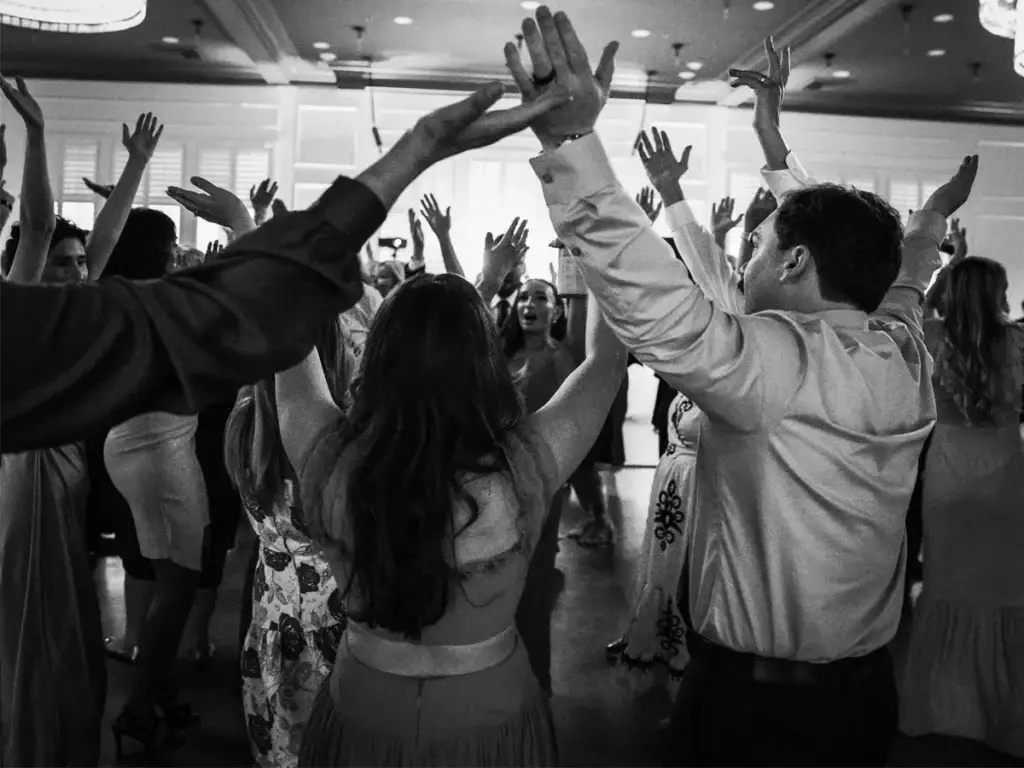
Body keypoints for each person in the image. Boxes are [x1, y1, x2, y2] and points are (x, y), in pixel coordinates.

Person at [506, 11, 976, 764]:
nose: (748, 258)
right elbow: (911, 272)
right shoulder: (900, 343)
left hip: (756, 715)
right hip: (863, 702)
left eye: (759, 246)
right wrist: (927, 219)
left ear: (792, 265)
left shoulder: (776, 363)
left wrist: (569, 141)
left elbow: (650, 296)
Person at [1, 82, 570, 453]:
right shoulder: (500, 470)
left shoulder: (328, 455)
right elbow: (189, 321)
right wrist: (416, 152)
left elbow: (196, 319)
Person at [899, 256, 1024, 760]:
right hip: (1005, 475)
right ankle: (1001, 712)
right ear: (995, 293)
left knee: (947, 586)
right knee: (1005, 587)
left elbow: (917, 306)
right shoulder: (1017, 341)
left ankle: (941, 708)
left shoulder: (931, 334)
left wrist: (945, 280)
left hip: (949, 475)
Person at [227, 319, 354, 768]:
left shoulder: (245, 421)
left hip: (272, 624)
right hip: (332, 628)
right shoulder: (342, 440)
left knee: (281, 746)